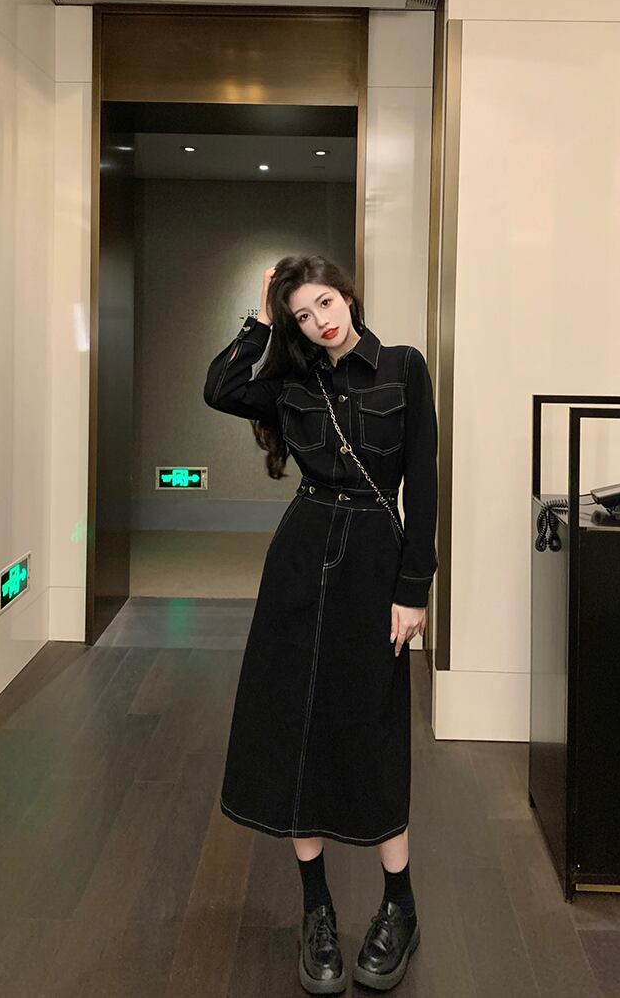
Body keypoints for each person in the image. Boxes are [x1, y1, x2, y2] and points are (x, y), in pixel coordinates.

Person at [203, 254, 438, 993]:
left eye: (325, 303)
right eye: (302, 315)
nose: (319, 321)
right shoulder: (292, 381)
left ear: (348, 296)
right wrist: (260, 315)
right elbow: (220, 387)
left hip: (374, 560)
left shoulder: (404, 367)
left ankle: (399, 905)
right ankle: (318, 909)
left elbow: (425, 482)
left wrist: (414, 588)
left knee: (372, 726)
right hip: (301, 559)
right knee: (298, 723)